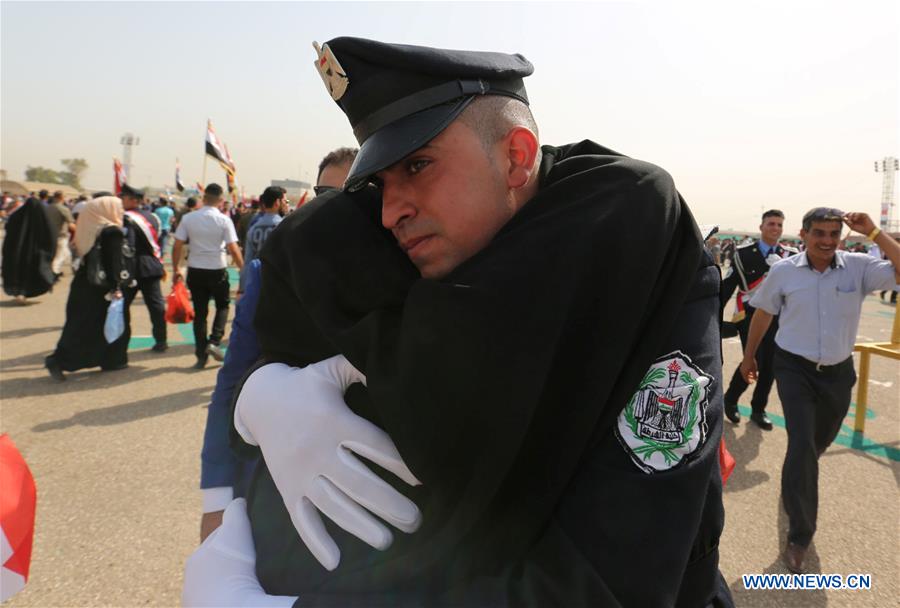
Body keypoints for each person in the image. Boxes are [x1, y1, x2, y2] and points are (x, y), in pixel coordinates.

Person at [184, 37, 731, 607]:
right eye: (379, 183)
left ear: (517, 157)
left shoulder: (633, 245)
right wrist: (259, 393)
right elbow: (299, 271)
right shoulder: (390, 230)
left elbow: (613, 578)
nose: (392, 210)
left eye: (418, 165)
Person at [198, 148, 357, 543]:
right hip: (281, 481)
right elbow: (229, 383)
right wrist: (216, 500)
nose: (337, 210)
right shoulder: (268, 275)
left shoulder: (422, 268)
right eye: (325, 196)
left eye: (357, 192)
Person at [739, 208, 900, 574]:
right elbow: (763, 313)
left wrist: (873, 232)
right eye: (819, 234)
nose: (827, 241)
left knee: (816, 443)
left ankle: (797, 476)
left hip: (838, 374)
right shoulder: (783, 270)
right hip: (794, 368)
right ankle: (799, 535)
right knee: (801, 446)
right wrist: (749, 356)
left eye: (833, 234)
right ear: (803, 233)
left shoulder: (858, 266)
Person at [719, 210, 796, 429]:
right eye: (771, 223)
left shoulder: (790, 255)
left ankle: (758, 409)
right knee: (754, 359)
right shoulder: (743, 254)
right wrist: (714, 317)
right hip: (749, 315)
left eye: (780, 224)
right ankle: (731, 399)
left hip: (779, 317)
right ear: (761, 227)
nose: (776, 228)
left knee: (771, 366)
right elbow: (728, 286)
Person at [45, 196, 135, 381]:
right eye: (117, 208)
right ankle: (110, 360)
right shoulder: (112, 232)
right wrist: (116, 287)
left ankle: (63, 359)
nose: (121, 212)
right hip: (101, 289)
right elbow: (113, 263)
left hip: (84, 283)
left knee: (79, 325)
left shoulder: (89, 227)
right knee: (109, 324)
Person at [171, 183, 244, 368]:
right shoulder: (223, 220)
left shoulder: (189, 218)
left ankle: (200, 355)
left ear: (203, 198)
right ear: (220, 200)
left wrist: (176, 268)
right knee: (222, 306)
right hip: (217, 268)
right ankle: (215, 340)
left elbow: (177, 244)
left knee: (200, 313)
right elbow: (233, 248)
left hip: (195, 268)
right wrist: (243, 269)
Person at [120, 184, 168, 352]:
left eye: (123, 198)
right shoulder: (153, 217)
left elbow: (128, 246)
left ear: (133, 200)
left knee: (122, 307)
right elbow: (160, 242)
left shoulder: (126, 218)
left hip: (131, 267)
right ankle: (161, 340)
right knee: (156, 306)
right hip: (151, 266)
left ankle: (121, 342)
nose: (121, 200)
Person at [1, 197, 55, 302]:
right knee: (32, 272)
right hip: (35, 253)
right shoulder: (43, 219)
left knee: (18, 272)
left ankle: (19, 292)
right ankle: (25, 292)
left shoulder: (16, 217)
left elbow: (9, 233)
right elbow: (51, 236)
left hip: (17, 252)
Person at [238, 186, 285, 293]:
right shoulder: (284, 226)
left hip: (256, 282)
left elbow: (248, 261)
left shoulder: (253, 228)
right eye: (284, 201)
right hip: (278, 284)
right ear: (277, 202)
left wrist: (242, 289)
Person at [45, 191, 76, 280]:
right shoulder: (63, 209)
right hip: (60, 236)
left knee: (65, 255)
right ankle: (53, 274)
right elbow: (71, 224)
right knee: (59, 257)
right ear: (62, 197)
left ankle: (54, 272)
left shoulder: (48, 208)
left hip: (49, 235)